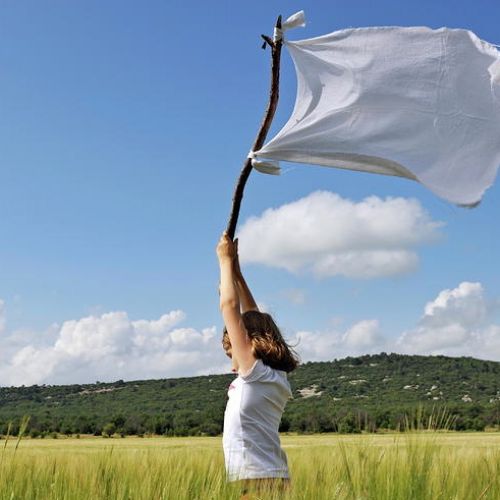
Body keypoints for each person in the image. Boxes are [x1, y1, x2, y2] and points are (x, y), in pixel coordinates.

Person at [216, 232, 299, 499]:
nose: (233, 365)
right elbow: (253, 317)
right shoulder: (275, 377)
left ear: (249, 344)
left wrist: (224, 262)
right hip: (271, 477)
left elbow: (230, 307)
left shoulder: (256, 374)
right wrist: (237, 274)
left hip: (256, 480)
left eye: (233, 354)